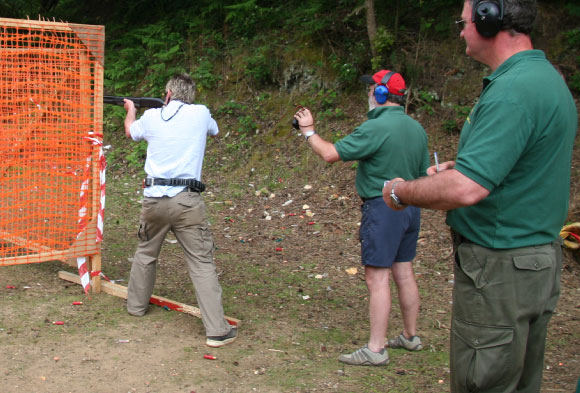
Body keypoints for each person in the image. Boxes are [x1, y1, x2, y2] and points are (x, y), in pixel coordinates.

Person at [383, 1, 577, 391]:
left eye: (465, 21)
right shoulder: (543, 78)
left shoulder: (512, 91)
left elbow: (465, 189)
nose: (460, 31)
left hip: (501, 271)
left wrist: (400, 190)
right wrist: (463, 167)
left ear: (490, 21)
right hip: (532, 262)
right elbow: (518, 169)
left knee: (483, 383)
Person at [294, 70, 430, 366]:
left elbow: (330, 153)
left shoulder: (376, 128)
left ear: (379, 95)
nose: (367, 94)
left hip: (383, 209)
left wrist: (308, 131)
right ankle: (410, 335)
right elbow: (423, 176)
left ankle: (376, 349)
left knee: (376, 277)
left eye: (370, 89)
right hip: (411, 208)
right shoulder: (416, 128)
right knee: (403, 271)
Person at [122, 73, 237, 348]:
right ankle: (217, 331)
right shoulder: (201, 113)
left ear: (169, 93)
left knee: (146, 253)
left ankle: (135, 307)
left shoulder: (151, 117)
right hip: (187, 201)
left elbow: (130, 132)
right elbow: (215, 129)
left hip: (153, 200)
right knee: (201, 263)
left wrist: (130, 111)